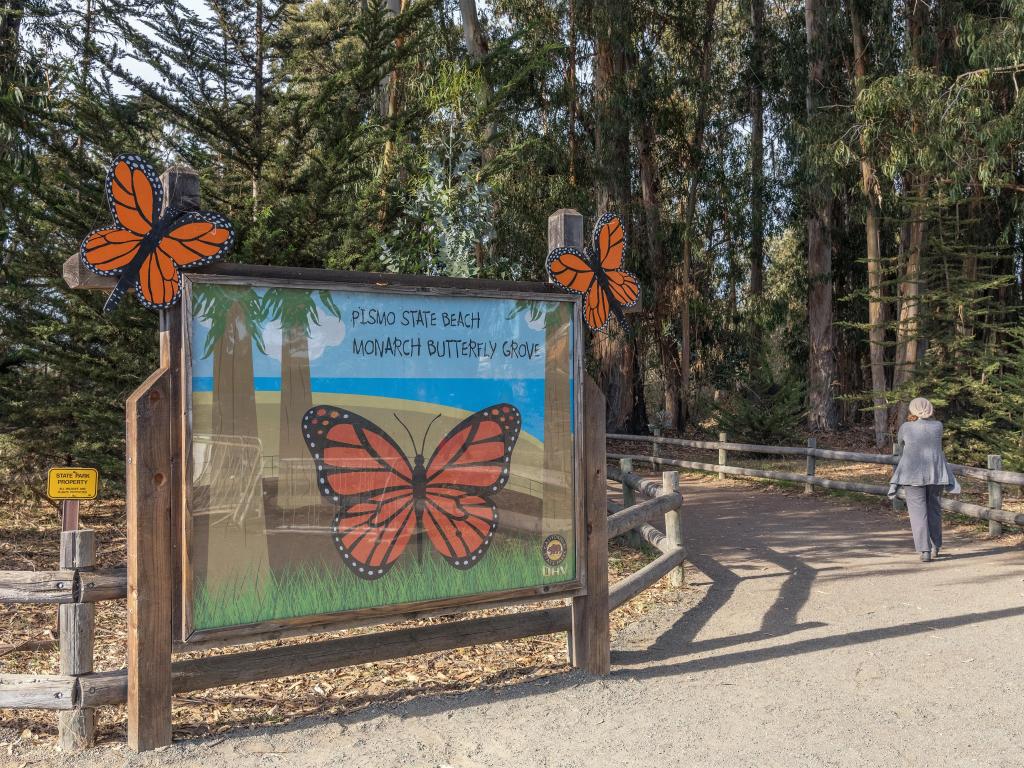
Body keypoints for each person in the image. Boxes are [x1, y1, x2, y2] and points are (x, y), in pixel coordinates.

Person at [888, 397, 960, 562]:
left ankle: (924, 550)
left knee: (917, 513)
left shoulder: (906, 427)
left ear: (912, 410)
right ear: (930, 408)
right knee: (934, 510)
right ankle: (936, 546)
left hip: (912, 475)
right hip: (935, 474)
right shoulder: (938, 426)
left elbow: (900, 442)